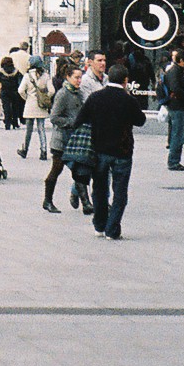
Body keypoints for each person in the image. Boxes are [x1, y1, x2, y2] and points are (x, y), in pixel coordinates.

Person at [72, 61, 146, 240]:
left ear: (109, 78)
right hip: (122, 151)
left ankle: (99, 224)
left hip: (99, 150)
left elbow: (79, 120)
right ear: (125, 80)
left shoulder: (96, 97)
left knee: (100, 189)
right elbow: (141, 120)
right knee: (120, 192)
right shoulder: (128, 100)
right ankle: (112, 229)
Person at [43, 64, 90, 215]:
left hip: (74, 140)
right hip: (61, 140)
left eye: (80, 78)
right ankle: (47, 200)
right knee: (56, 170)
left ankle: (86, 203)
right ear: (68, 77)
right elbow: (54, 117)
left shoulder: (78, 93)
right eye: (76, 77)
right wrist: (72, 122)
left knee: (78, 170)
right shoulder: (63, 94)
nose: (79, 81)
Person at [163, 49, 184, 171]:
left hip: (176, 106)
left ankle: (174, 160)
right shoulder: (176, 72)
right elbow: (176, 88)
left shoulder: (176, 71)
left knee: (178, 133)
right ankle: (173, 161)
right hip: (177, 106)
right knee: (178, 134)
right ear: (181, 61)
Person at [16, 57, 51, 158]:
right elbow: (52, 90)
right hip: (41, 105)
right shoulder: (46, 76)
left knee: (29, 129)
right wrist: (45, 98)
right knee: (41, 128)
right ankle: (43, 151)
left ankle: (25, 149)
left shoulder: (27, 76)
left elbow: (20, 90)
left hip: (30, 105)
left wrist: (27, 98)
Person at [0, 56, 23, 131]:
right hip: (14, 91)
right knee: (15, 107)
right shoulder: (16, 71)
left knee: (6, 107)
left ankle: (7, 123)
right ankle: (15, 123)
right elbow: (20, 81)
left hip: (4, 91)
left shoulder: (0, 71)